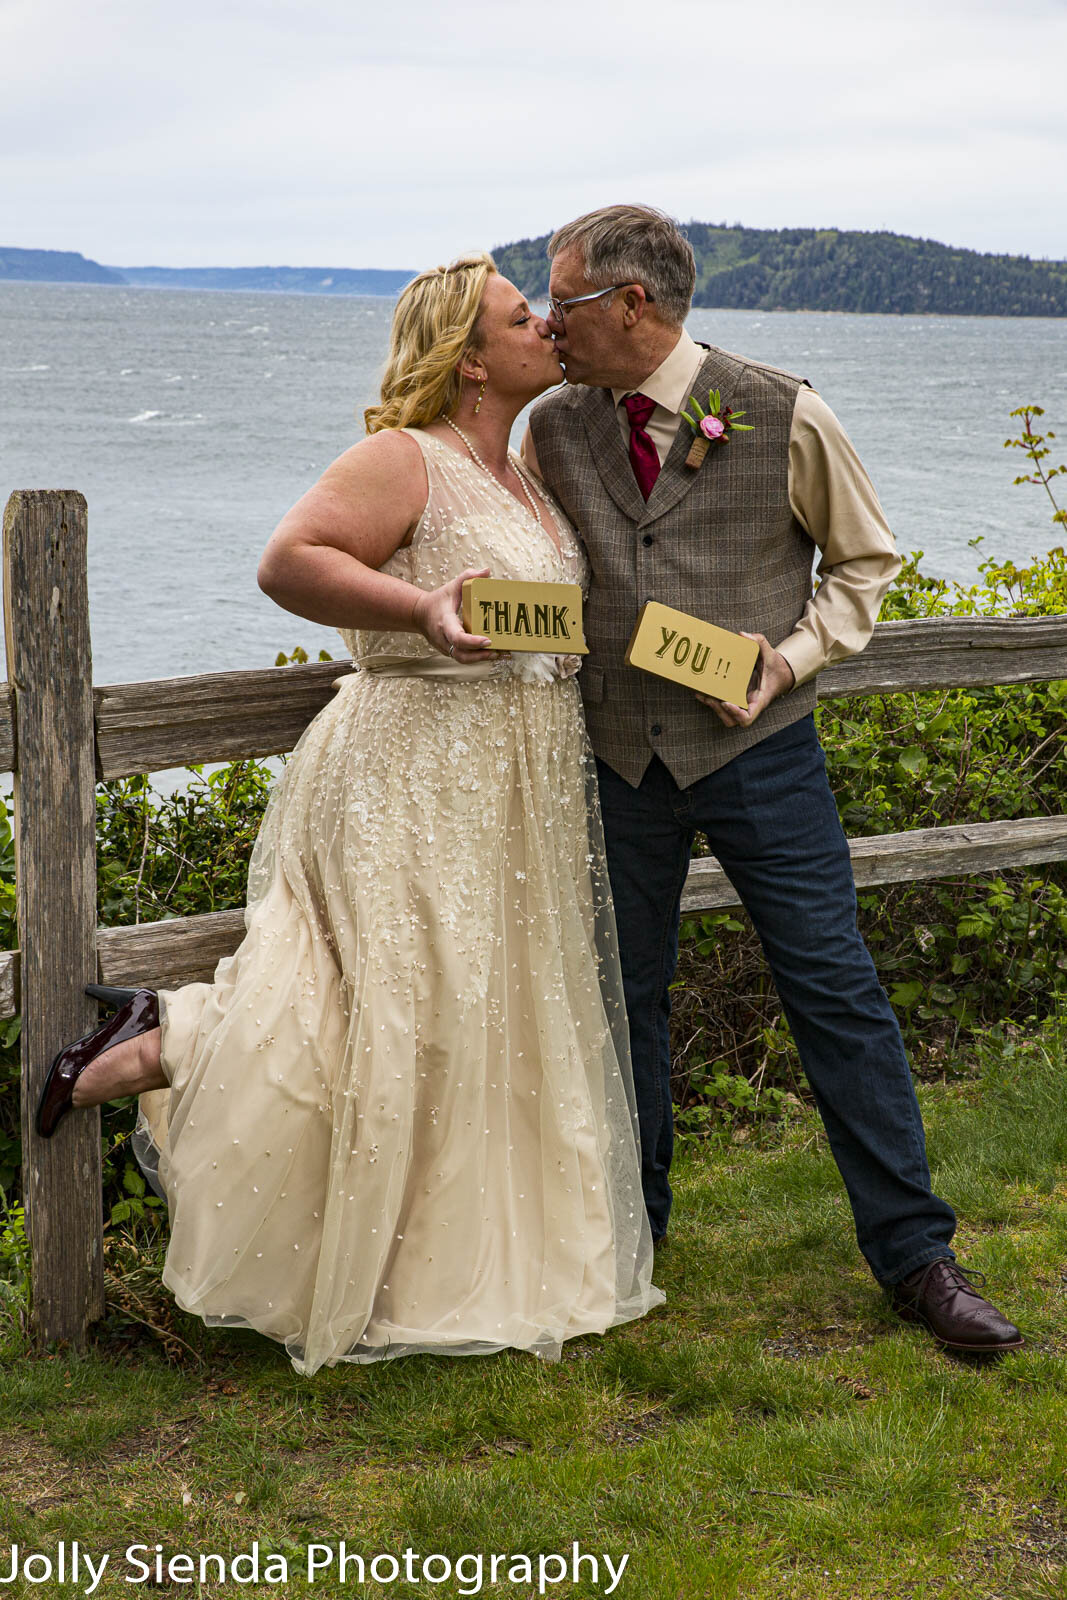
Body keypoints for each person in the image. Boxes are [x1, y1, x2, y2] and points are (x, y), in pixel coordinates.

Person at [36, 253, 663, 1374]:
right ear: (468, 358)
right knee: (388, 1011)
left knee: (475, 1018)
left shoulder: (523, 469)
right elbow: (289, 562)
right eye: (524, 319)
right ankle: (155, 1038)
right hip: (413, 768)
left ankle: (429, 1264)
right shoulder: (403, 456)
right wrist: (422, 610)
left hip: (514, 786)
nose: (546, 332)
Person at [522, 204, 1022, 1354]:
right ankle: (627, 1244)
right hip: (614, 755)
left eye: (565, 302)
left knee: (833, 992)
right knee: (618, 1002)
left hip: (762, 754)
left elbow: (863, 563)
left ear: (630, 304)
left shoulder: (783, 410)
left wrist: (783, 660)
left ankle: (915, 1258)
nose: (551, 324)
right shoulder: (551, 426)